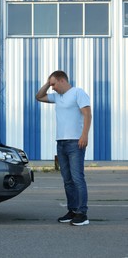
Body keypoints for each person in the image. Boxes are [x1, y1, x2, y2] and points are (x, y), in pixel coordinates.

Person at [36, 70, 92, 226]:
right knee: (67, 180)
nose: (52, 88)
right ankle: (72, 210)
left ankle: (82, 214)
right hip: (61, 143)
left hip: (75, 142)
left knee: (77, 178)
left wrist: (84, 135)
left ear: (62, 80)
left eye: (53, 84)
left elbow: (87, 114)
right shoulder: (57, 97)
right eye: (50, 85)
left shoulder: (77, 93)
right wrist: (47, 82)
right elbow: (39, 96)